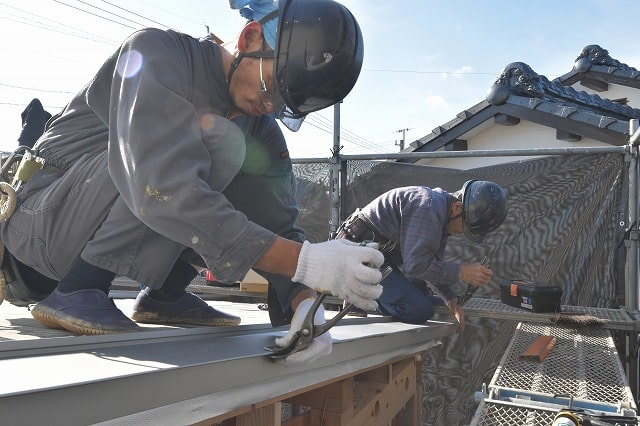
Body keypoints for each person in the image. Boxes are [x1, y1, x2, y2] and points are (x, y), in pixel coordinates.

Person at [0, 0, 383, 366]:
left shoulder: (258, 125)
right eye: (272, 90)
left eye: (285, 105)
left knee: (238, 159)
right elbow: (159, 184)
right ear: (249, 38)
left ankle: (164, 295)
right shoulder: (155, 54)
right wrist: (304, 262)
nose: (270, 107)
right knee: (220, 141)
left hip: (68, 243)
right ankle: (82, 287)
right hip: (35, 229)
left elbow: (275, 222)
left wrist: (303, 301)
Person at [335, 181, 508, 330]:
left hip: (373, 255)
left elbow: (432, 262)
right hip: (354, 258)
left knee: (420, 290)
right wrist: (462, 271)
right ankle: (356, 296)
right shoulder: (429, 209)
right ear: (457, 207)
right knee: (420, 309)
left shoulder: (440, 211)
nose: (462, 233)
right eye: (466, 227)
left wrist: (450, 298)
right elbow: (417, 265)